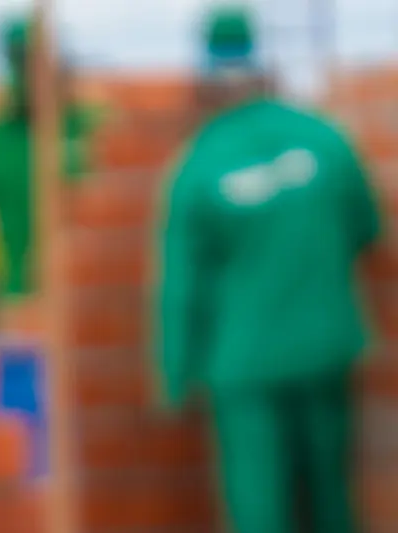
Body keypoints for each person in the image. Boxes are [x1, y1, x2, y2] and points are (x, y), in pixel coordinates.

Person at [154, 5, 380, 533]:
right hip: (326, 349)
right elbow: (367, 229)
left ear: (205, 78)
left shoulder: (199, 164)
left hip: (245, 367)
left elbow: (183, 286)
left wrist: (173, 376)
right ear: (265, 68)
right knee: (332, 504)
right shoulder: (325, 139)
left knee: (258, 512)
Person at [0, 15, 100, 310]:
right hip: (12, 300)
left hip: (80, 303)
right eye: (21, 63)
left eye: (39, 62)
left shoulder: (86, 129)